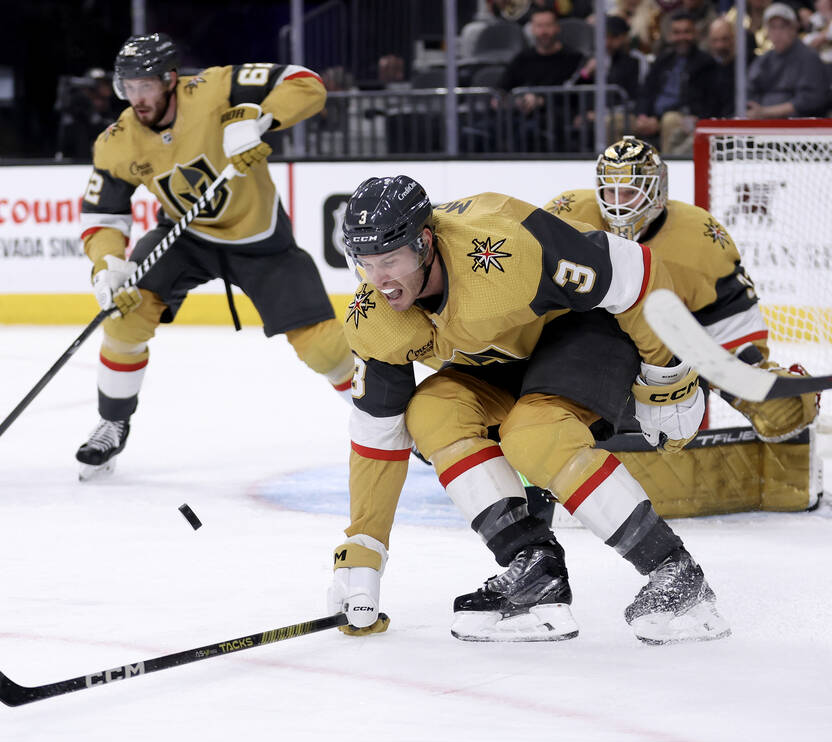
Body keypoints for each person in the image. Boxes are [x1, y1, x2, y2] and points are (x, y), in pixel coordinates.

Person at [326, 174, 733, 645]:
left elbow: (635, 270)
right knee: (431, 412)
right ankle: (534, 570)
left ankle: (676, 573)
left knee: (532, 435)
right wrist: (364, 552)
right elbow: (378, 436)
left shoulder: (505, 250)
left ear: (424, 243)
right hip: (507, 356)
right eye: (365, 264)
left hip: (584, 332)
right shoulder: (373, 317)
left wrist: (669, 377)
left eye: (390, 261)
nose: (379, 281)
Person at [75, 33, 354, 479]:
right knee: (124, 313)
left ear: (170, 79)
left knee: (323, 348)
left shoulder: (214, 89)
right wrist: (107, 264)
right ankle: (113, 420)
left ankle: (389, 423)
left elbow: (306, 83)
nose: (136, 97)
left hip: (258, 239)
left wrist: (261, 118)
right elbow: (103, 217)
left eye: (145, 85)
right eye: (127, 87)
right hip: (184, 238)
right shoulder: (117, 142)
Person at [543, 137, 821, 509]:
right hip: (580, 353)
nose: (618, 204)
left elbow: (729, 320)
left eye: (630, 193)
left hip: (663, 364)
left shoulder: (698, 236)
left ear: (658, 191)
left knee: (781, 410)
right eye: (610, 192)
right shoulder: (565, 215)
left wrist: (749, 371)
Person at [633, 11, 724, 155]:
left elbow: (708, 100)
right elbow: (646, 91)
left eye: (686, 32)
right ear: (669, 35)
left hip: (683, 116)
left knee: (670, 120)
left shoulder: (706, 63)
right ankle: (616, 168)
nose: (682, 37)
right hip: (652, 117)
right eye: (677, 32)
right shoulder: (662, 60)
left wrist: (657, 119)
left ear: (696, 34)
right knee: (614, 121)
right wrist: (643, 115)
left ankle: (666, 171)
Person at [495, 8, 586, 151]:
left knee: (529, 131)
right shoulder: (522, 59)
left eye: (548, 25)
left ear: (557, 28)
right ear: (531, 29)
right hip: (521, 116)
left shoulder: (574, 59)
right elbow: (500, 92)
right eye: (539, 26)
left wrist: (541, 101)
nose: (544, 32)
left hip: (556, 118)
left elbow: (576, 94)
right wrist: (517, 102)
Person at [746, 3, 830, 119]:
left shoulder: (809, 58)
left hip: (799, 128)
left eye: (782, 26)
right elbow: (749, 91)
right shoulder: (763, 60)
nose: (777, 33)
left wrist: (767, 112)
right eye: (772, 27)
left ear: (794, 28)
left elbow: (811, 100)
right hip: (762, 125)